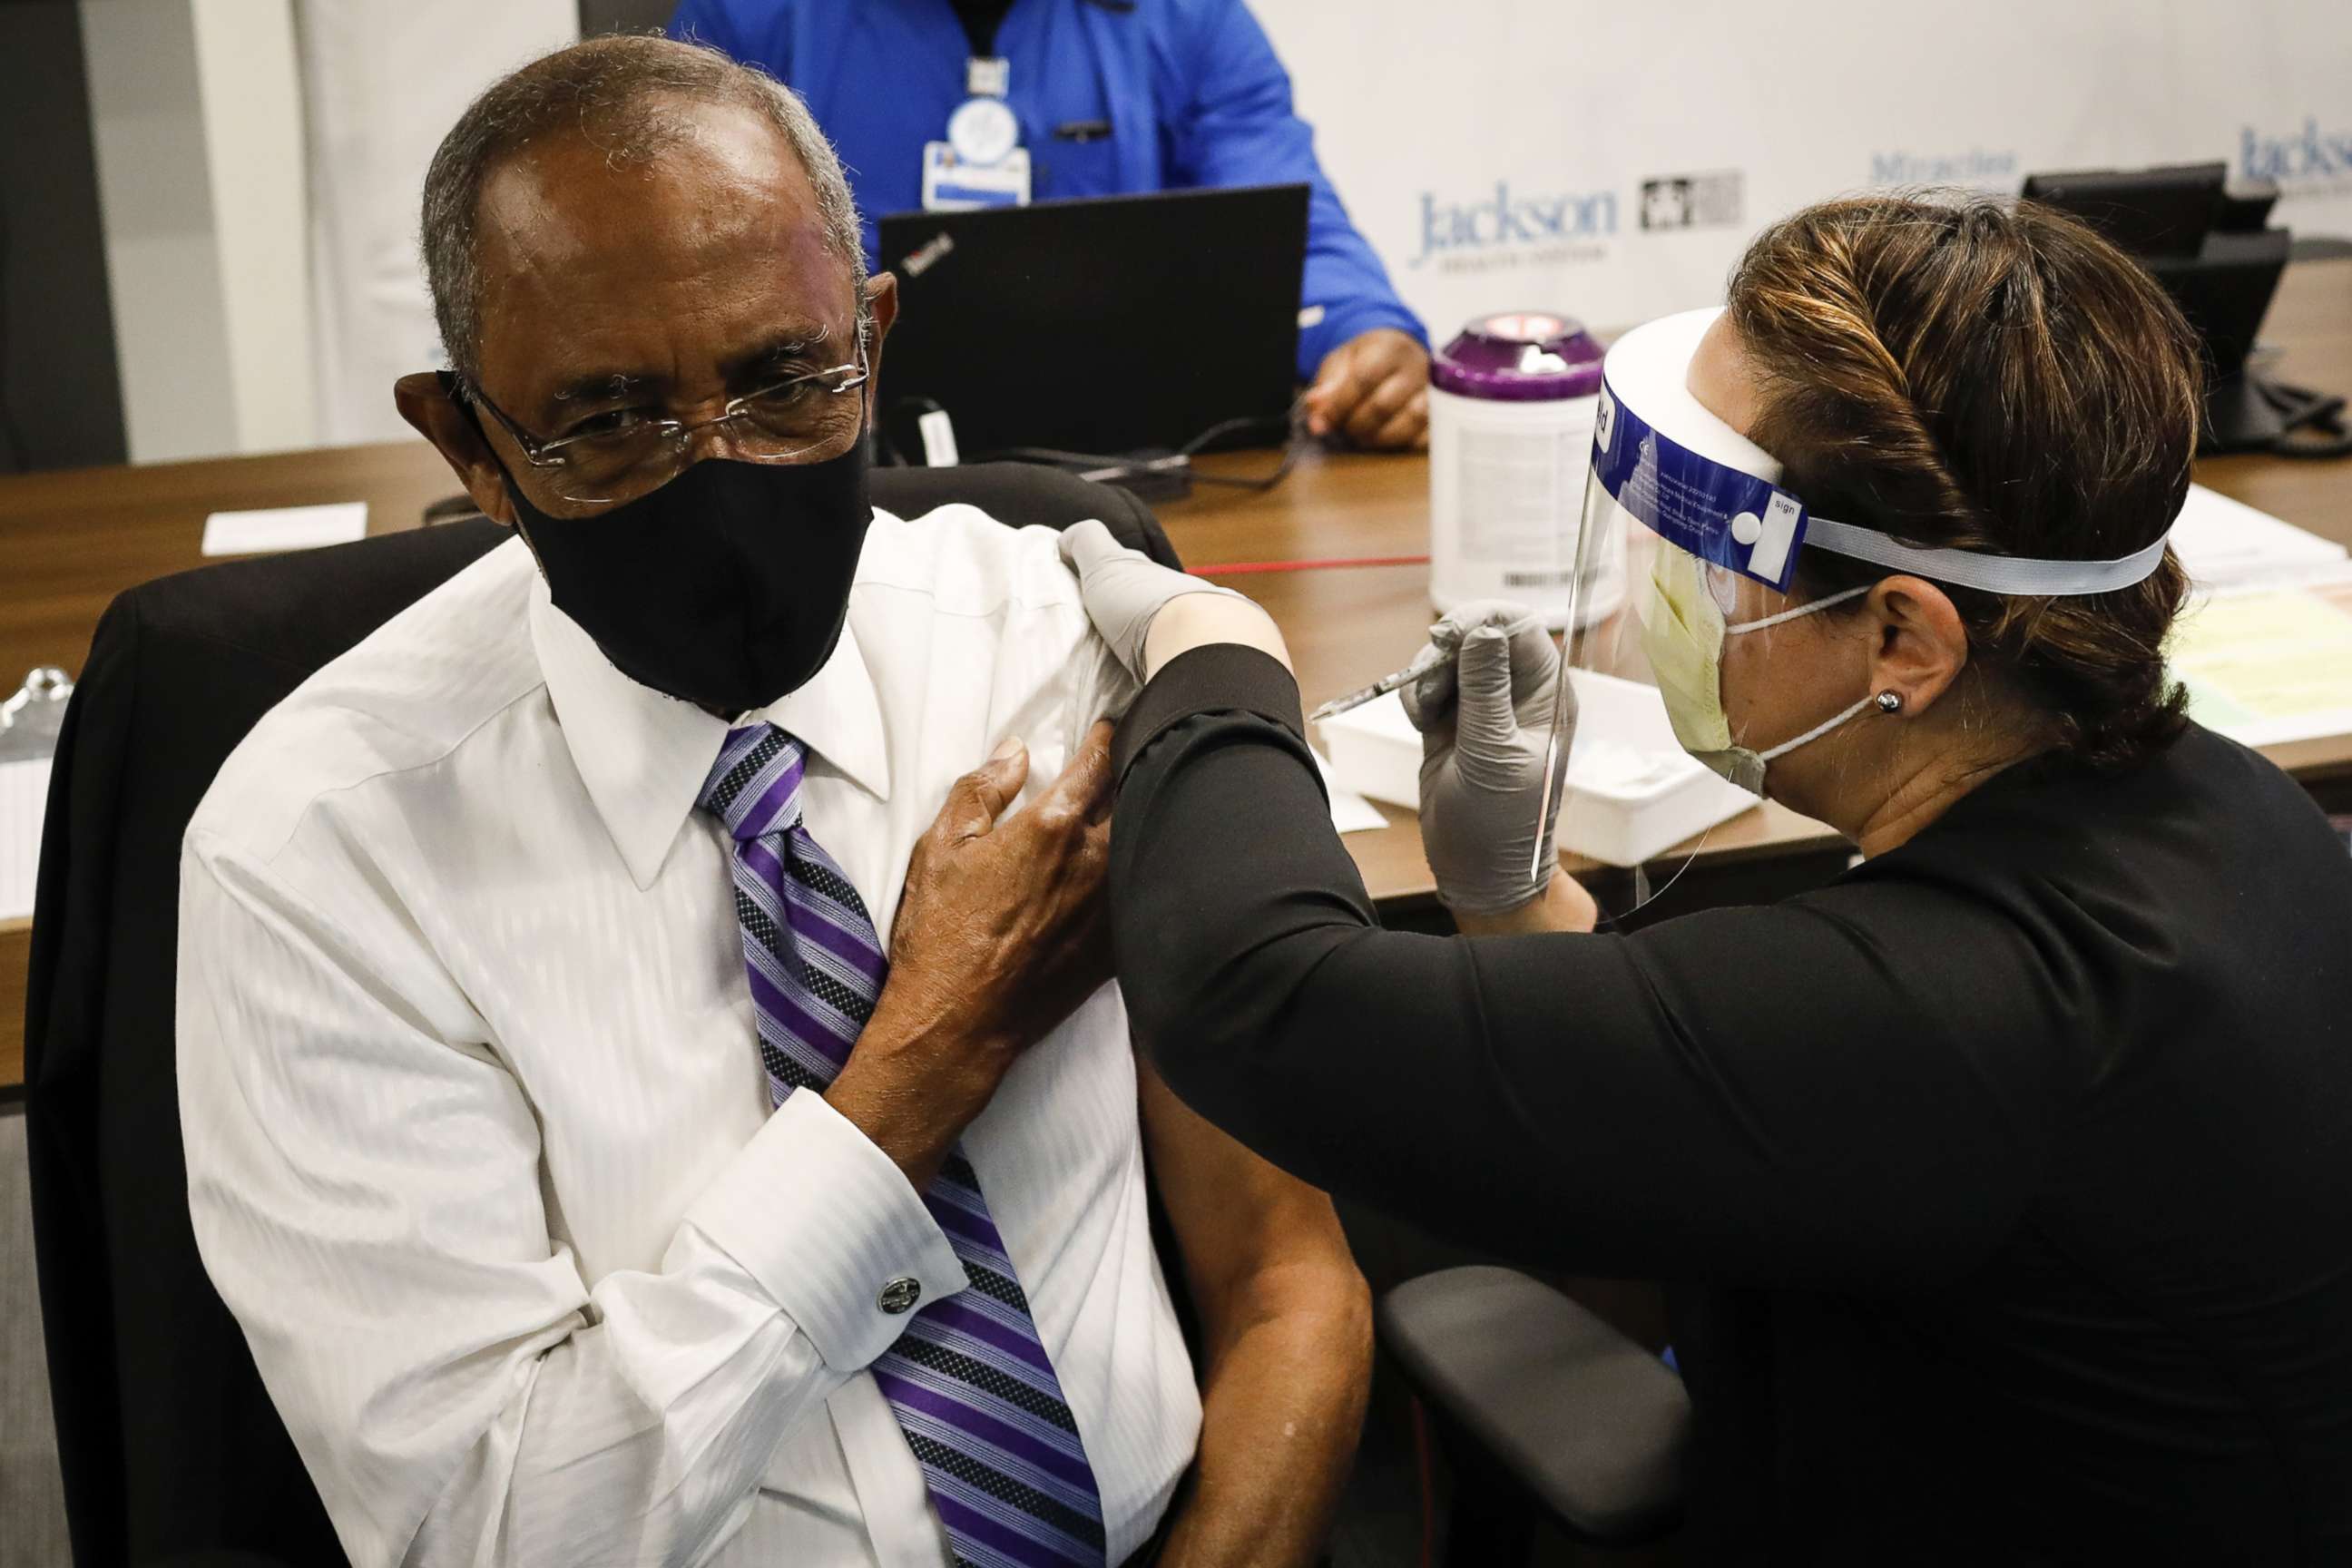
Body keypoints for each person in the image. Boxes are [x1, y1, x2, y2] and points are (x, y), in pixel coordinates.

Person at [175, 35, 1370, 1568]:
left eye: (785, 380)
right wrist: (923, 1063)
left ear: (870, 339)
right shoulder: (320, 854)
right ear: (469, 442)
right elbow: (487, 1528)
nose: (720, 470)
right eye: (608, 423)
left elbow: (1290, 1280)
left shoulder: (1045, 648)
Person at [1044, 194, 2352, 1560]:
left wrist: (1215, 658)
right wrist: (1516, 897)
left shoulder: (1957, 1013)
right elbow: (1724, 1132)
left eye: (1712, 543)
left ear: (1905, 638)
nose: (1665, 583)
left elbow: (1254, 1002)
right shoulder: (2225, 811)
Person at [667, 0, 1433, 450]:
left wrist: (1363, 335)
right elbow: (679, 264)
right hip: (856, 486)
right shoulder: (748, 17)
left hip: (1143, 472)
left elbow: (1291, 221)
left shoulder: (1188, 17)